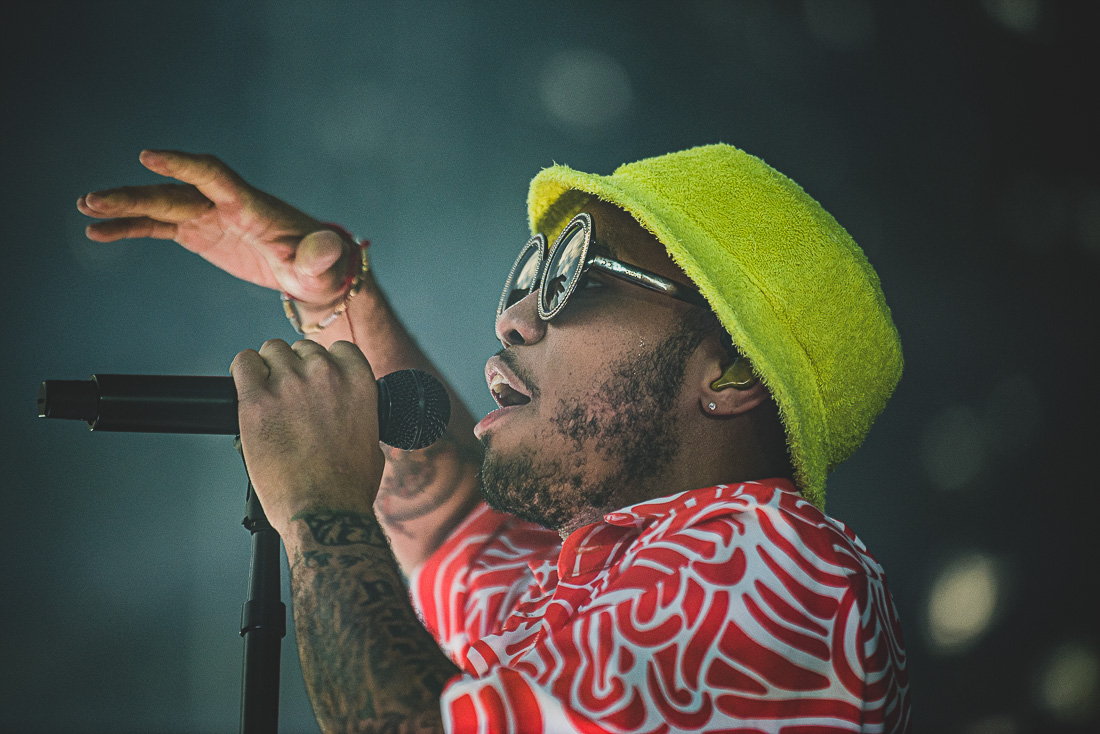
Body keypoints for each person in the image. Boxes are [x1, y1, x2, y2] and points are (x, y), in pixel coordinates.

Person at [78, 144, 911, 733]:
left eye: (571, 279)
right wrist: (338, 299)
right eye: (528, 274)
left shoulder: (778, 561)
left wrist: (320, 507)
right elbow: (447, 524)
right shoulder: (604, 576)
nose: (512, 317)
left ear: (728, 371)